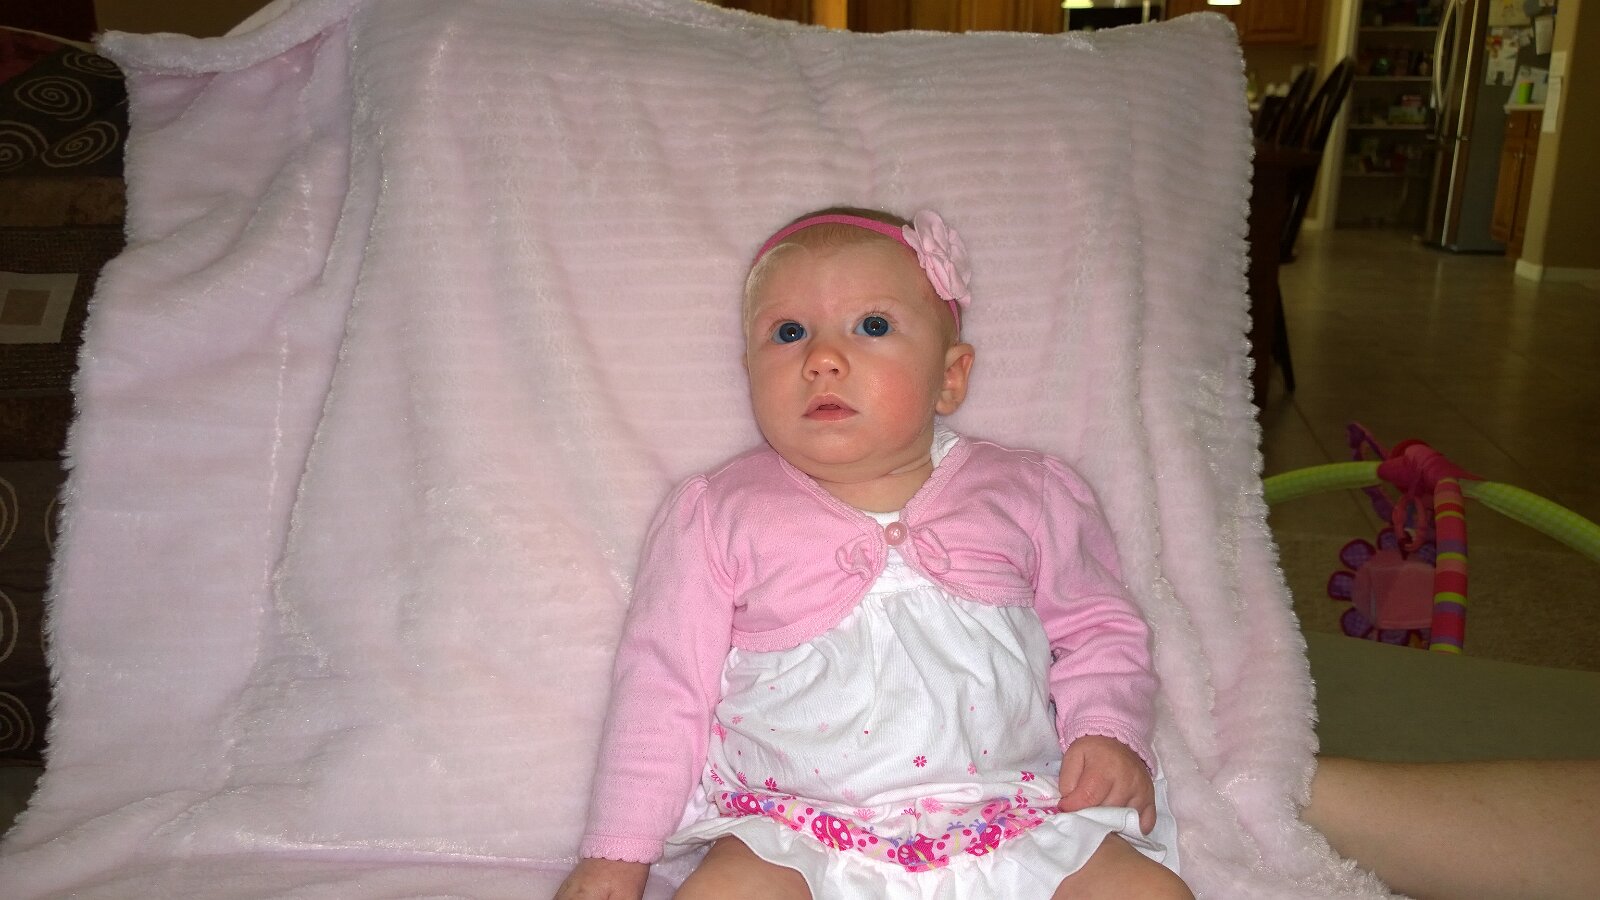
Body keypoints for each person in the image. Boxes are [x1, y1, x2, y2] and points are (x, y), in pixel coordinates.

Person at [555, 208, 1191, 899]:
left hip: (1015, 815)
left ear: (950, 377)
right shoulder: (718, 513)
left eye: (873, 325)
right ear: (750, 373)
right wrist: (619, 851)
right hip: (793, 834)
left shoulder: (1026, 492)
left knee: (1151, 894)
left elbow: (1098, 628)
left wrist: (1107, 729)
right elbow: (662, 687)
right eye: (789, 333)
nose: (822, 358)